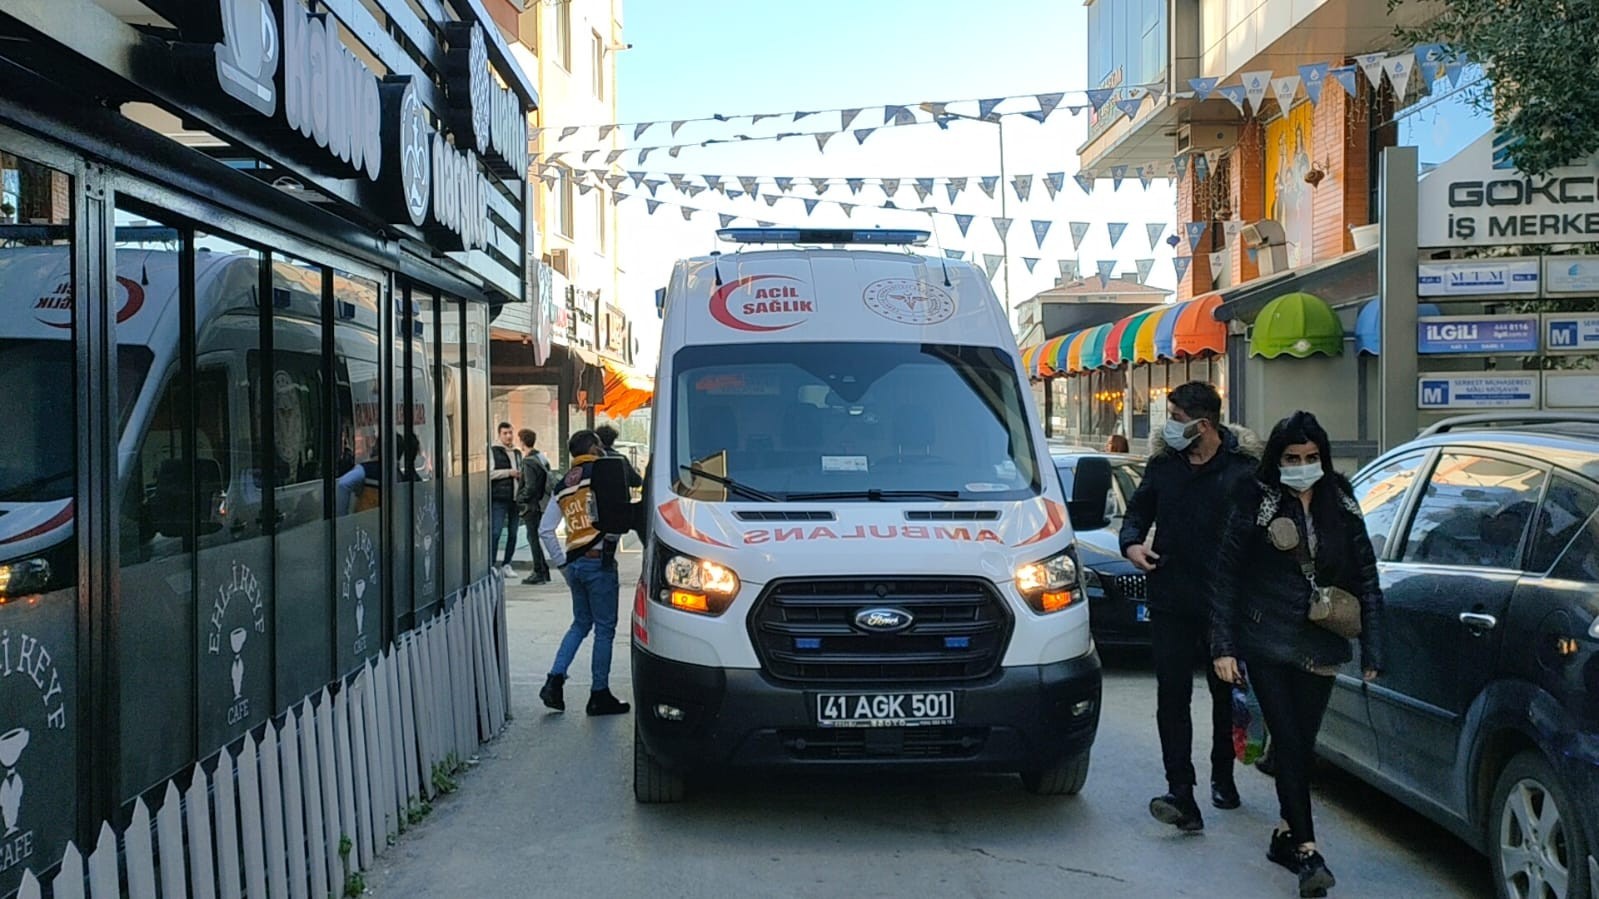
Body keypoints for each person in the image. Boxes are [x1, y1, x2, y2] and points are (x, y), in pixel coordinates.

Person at [1210, 410, 1384, 897]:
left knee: (1299, 747)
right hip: (1266, 639)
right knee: (1287, 737)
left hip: (1321, 643)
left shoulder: (1342, 502)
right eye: (1292, 457)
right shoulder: (1256, 500)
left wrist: (1374, 646)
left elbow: (1367, 579)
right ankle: (1308, 852)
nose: (1302, 465)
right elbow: (1226, 576)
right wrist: (1224, 645)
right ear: (1277, 459)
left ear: (1323, 459)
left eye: (1311, 458)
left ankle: (1285, 836)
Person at [1119, 381, 1260, 832]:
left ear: (1204, 423)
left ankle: (1223, 775)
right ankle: (1180, 790)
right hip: (1171, 598)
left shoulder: (1243, 471)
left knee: (1225, 697)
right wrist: (1132, 545)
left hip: (1224, 603)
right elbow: (1138, 512)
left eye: (1176, 418)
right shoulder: (1164, 466)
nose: (1169, 426)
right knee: (1171, 695)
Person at [536, 429, 631, 716]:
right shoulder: (602, 473)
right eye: (600, 445)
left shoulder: (564, 482)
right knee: (604, 629)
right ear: (593, 446)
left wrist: (563, 564)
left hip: (574, 561)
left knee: (580, 624)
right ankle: (599, 694)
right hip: (598, 561)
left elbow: (545, 529)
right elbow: (617, 518)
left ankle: (554, 680)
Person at [515, 428, 552, 585]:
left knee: (533, 538)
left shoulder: (528, 461)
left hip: (531, 505)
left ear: (522, 442)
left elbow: (530, 486)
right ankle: (544, 570)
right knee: (535, 537)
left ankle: (539, 571)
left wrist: (520, 498)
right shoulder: (541, 457)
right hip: (542, 503)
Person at [489, 421, 521, 578]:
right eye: (505, 433)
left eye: (510, 433)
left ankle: (507, 563)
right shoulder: (494, 452)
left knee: (513, 533)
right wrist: (509, 473)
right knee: (496, 531)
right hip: (500, 497)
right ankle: (491, 564)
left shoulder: (517, 452)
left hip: (516, 498)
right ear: (499, 435)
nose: (508, 436)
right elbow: (489, 474)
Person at [594, 423, 643, 489]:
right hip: (621, 499)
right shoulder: (621, 459)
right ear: (613, 440)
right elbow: (637, 482)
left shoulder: (593, 459)